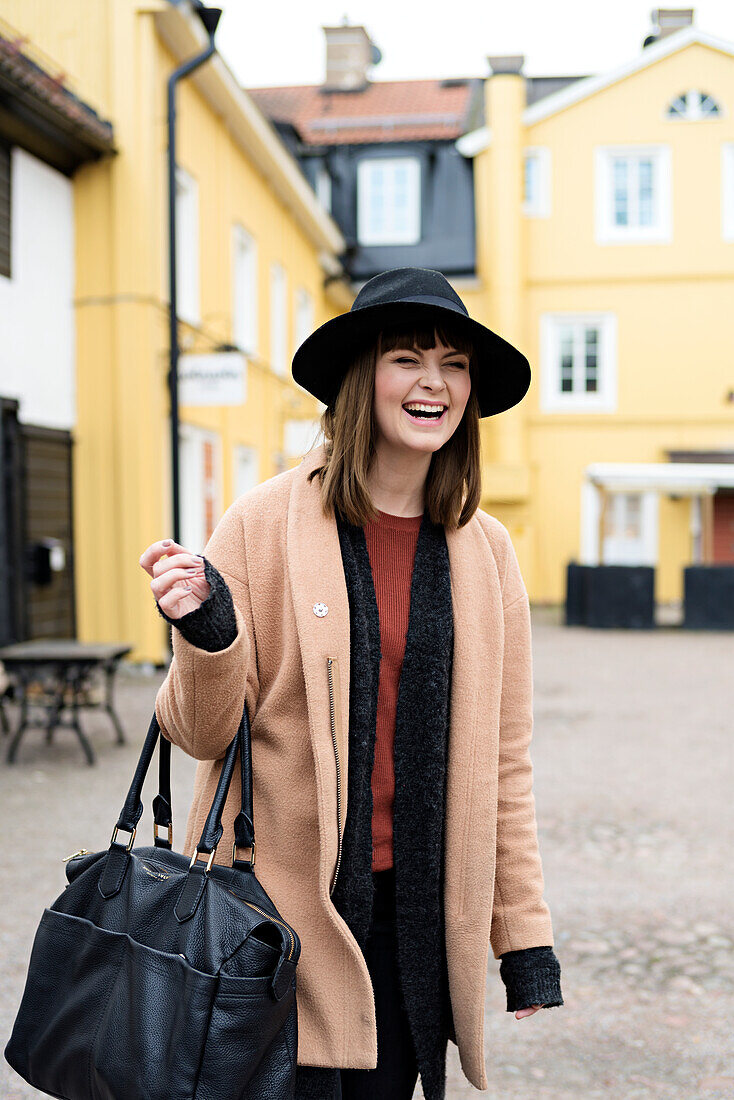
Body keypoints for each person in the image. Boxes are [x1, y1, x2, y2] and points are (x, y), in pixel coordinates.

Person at [140, 267, 563, 1100]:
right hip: (269, 924)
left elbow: (504, 763)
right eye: (406, 358)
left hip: (416, 924)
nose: (433, 383)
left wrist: (523, 937)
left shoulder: (488, 554)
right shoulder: (261, 524)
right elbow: (198, 733)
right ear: (359, 379)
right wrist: (209, 635)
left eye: (453, 363)